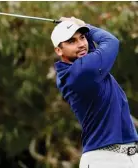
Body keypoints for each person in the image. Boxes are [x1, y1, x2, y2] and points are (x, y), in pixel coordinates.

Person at [51, 17, 138, 168]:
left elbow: (87, 49)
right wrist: (85, 26)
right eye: (71, 41)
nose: (80, 44)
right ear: (59, 50)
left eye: (82, 37)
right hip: (104, 160)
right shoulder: (81, 72)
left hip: (125, 157)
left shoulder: (79, 66)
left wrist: (76, 26)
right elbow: (111, 42)